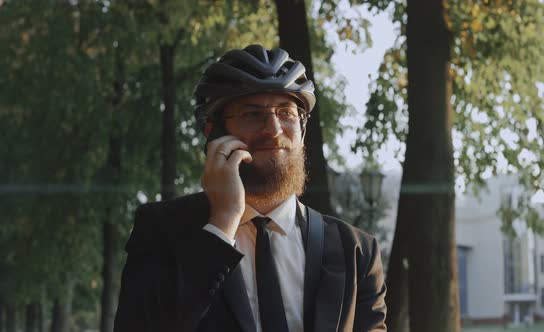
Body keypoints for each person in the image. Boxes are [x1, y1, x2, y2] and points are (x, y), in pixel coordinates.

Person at [113, 44, 386, 332]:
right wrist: (223, 223)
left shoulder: (356, 251)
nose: (274, 129)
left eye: (286, 113)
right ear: (214, 133)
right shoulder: (161, 230)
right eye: (252, 114)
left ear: (303, 131)